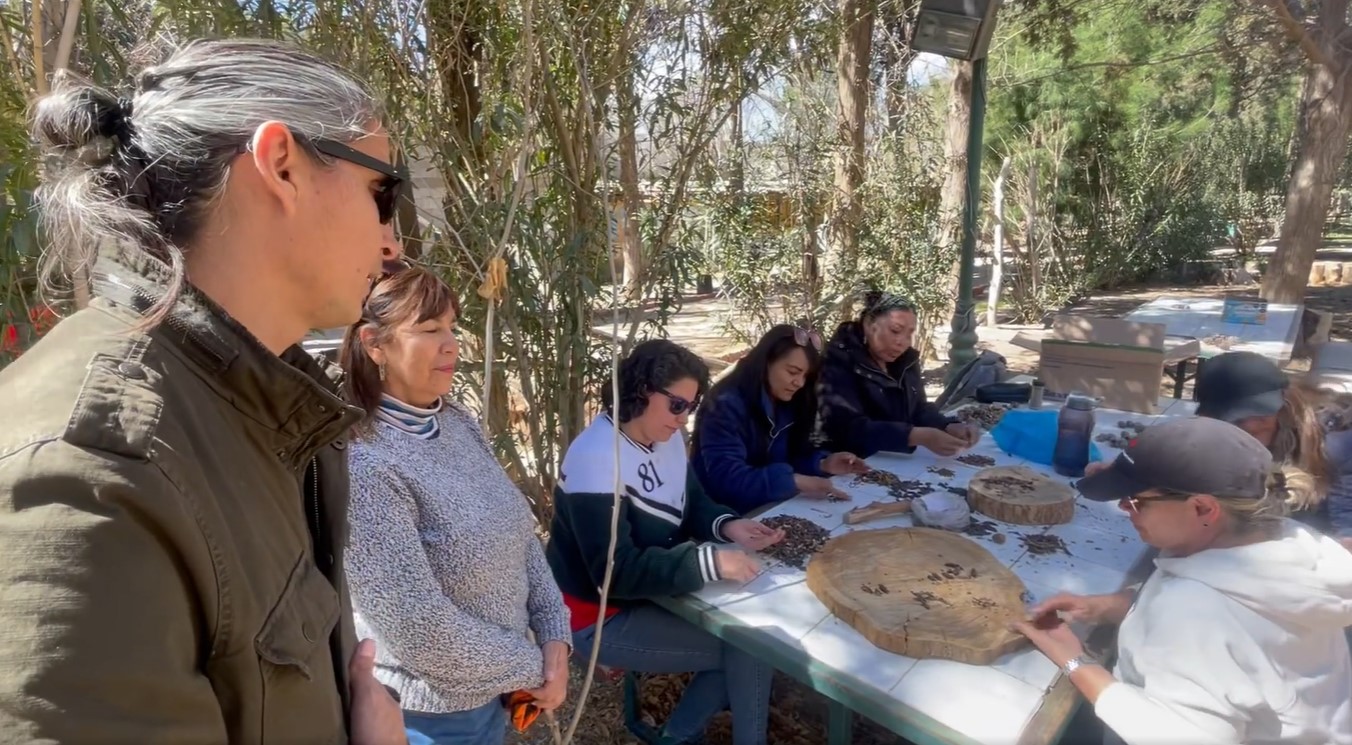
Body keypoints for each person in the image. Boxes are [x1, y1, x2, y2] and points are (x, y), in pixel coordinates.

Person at [0, 39, 406, 743]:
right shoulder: (92, 470)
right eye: (381, 193)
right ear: (281, 165)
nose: (392, 241)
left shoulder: (259, 404)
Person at [1012, 417, 1352, 745]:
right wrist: (1108, 606)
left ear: (1203, 509)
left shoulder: (1193, 613)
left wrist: (1074, 659)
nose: (1124, 508)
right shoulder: (1287, 539)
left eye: (1136, 501)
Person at [339, 266, 572, 745]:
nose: (450, 344)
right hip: (427, 715)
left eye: (451, 327)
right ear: (374, 343)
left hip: (492, 692)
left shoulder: (457, 423)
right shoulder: (365, 462)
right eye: (428, 330)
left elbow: (519, 533)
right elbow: (418, 627)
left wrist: (554, 633)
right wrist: (534, 666)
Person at [546, 339, 783, 745]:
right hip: (597, 615)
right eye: (677, 405)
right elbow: (615, 574)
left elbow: (691, 501)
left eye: (690, 406)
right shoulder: (596, 458)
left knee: (748, 645)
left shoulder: (665, 436)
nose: (683, 419)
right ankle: (691, 736)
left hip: (651, 593)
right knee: (749, 650)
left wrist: (728, 526)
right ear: (642, 391)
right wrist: (708, 563)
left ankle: (678, 736)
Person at [691, 324, 869, 514]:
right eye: (792, 372)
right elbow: (727, 480)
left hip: (773, 506)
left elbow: (788, 460)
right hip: (723, 515)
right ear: (766, 361)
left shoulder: (791, 401)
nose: (799, 383)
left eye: (805, 376)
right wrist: (792, 481)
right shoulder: (724, 405)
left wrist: (822, 464)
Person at [1194, 351, 1352, 537]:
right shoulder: (1206, 440)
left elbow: (1346, 526)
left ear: (1285, 401)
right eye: (1236, 419)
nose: (1252, 425)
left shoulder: (1336, 443)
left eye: (1261, 413)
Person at [818, 291, 979, 458]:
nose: (902, 342)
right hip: (852, 461)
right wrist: (916, 436)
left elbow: (918, 407)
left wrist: (946, 425)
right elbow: (847, 428)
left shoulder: (906, 360)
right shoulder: (838, 360)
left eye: (909, 334)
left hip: (898, 459)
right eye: (895, 330)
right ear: (868, 324)